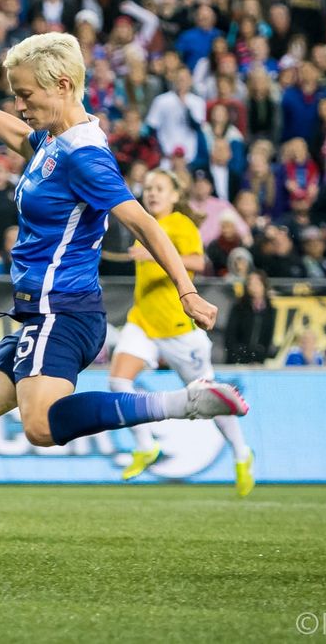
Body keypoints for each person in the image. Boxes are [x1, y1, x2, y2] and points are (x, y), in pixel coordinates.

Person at [0, 33, 244, 573]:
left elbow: (142, 222)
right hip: (40, 313)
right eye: (15, 93)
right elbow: (20, 136)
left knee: (40, 425)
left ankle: (185, 403)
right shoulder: (54, 139)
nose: (19, 105)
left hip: (64, 311)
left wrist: (188, 290)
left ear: (63, 86)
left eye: (26, 94)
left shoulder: (86, 155)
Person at [109, 170, 254, 496]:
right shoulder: (142, 224)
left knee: (208, 396)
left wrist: (153, 254)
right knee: (117, 380)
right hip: (142, 322)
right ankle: (147, 446)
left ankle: (242, 453)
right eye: (148, 188)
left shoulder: (179, 224)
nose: (152, 193)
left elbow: (199, 262)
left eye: (160, 188)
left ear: (175, 195)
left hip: (178, 328)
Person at [224, 271, 277, 364]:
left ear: (264, 285)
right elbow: (230, 335)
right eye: (250, 284)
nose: (253, 287)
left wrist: (261, 357)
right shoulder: (239, 307)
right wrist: (237, 355)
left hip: (258, 362)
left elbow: (268, 337)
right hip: (238, 360)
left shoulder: (270, 310)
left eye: (257, 283)